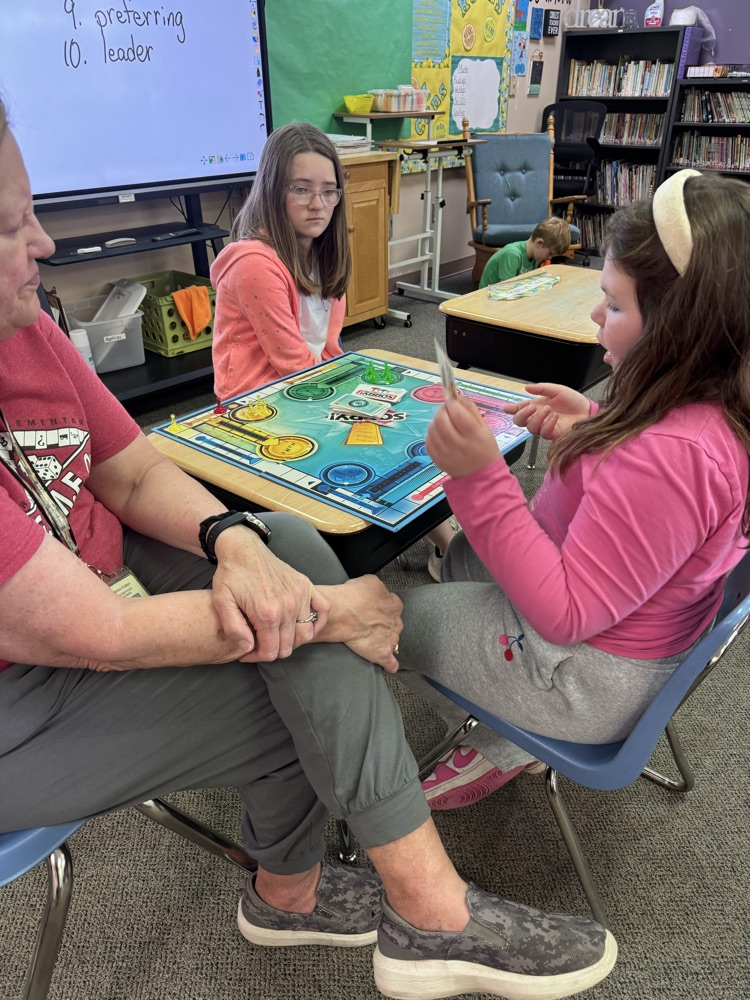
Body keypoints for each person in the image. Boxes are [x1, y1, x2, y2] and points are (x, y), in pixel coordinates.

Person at [0, 101, 616, 998]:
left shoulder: (29, 329)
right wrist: (329, 617)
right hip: (27, 697)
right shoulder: (248, 264)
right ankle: (425, 910)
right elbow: (92, 632)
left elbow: (130, 473)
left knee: (288, 538)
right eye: (12, 225)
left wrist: (233, 536)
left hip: (91, 575)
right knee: (301, 685)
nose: (47, 242)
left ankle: (293, 889)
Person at [396, 169, 750, 810]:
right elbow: (655, 501)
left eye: (615, 305)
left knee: (388, 616)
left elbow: (564, 612)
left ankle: (506, 740)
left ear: (681, 328)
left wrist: (482, 479)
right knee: (461, 561)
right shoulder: (709, 404)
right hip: (628, 637)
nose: (595, 314)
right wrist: (591, 426)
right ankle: (506, 720)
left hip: (583, 673)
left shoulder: (676, 456)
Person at [211, 121, 454, 578]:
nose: (317, 204)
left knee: (403, 418)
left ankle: (437, 536)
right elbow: (292, 367)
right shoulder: (253, 264)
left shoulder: (323, 253)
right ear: (272, 191)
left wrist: (369, 393)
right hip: (258, 406)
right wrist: (355, 405)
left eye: (328, 190)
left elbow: (327, 349)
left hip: (307, 386)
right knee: (379, 436)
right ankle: (429, 540)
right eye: (301, 190)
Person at [478, 216, 571, 290]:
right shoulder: (512, 254)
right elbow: (505, 291)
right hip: (489, 300)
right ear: (539, 243)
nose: (549, 258)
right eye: (550, 253)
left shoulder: (535, 257)